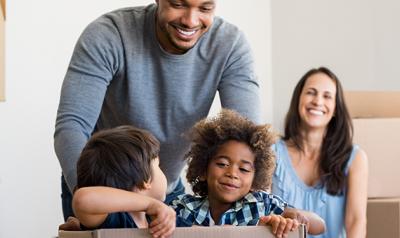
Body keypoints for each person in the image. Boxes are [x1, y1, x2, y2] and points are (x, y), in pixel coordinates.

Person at [54, 0, 261, 221]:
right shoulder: (110, 33)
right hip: (101, 193)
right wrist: (87, 204)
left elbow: (249, 139)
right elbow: (72, 125)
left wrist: (261, 210)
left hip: (167, 190)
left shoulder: (230, 45)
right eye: (178, 4)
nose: (190, 20)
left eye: (205, 8)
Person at [171, 109, 326, 237]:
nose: (232, 173)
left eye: (244, 169)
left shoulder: (262, 205)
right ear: (203, 170)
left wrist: (294, 214)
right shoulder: (184, 207)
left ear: (255, 180)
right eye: (222, 164)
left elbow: (320, 225)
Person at [271, 67, 368, 238]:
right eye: (311, 92)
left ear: (336, 108)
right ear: (298, 99)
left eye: (327, 96)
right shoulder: (271, 152)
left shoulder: (355, 159)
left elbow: (356, 222)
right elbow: (261, 214)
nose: (317, 101)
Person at [70, 125, 176, 238]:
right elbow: (82, 199)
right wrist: (150, 204)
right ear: (147, 179)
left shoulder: (156, 220)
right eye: (158, 165)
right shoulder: (114, 221)